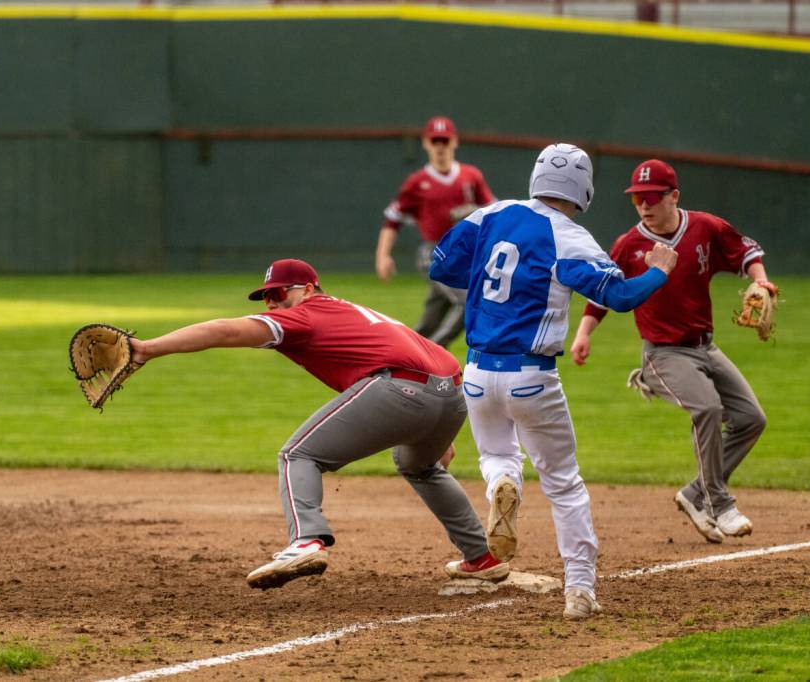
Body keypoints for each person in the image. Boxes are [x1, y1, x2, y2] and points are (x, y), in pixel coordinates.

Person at [129, 258, 510, 590]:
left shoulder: (305, 316)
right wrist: (434, 424)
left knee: (298, 454)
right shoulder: (350, 310)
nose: (272, 302)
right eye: (266, 296)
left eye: (280, 292)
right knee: (420, 466)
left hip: (402, 389)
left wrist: (148, 349)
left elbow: (226, 331)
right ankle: (481, 558)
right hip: (450, 392)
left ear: (309, 288)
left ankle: (307, 541)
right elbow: (419, 352)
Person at [429, 144, 678, 619]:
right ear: (582, 188)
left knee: (497, 456)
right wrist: (659, 272)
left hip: (478, 374)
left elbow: (441, 265)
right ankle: (580, 589)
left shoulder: (494, 212)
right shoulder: (572, 239)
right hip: (531, 376)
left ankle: (504, 482)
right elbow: (620, 297)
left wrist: (484, 270)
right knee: (563, 484)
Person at [570, 159, 777, 544]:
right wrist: (584, 334)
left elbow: (746, 250)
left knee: (751, 419)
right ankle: (719, 503)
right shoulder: (628, 245)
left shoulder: (704, 227)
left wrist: (761, 281)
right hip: (662, 354)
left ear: (674, 196)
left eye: (652, 197)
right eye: (638, 199)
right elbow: (602, 294)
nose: (644, 206)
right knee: (708, 409)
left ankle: (695, 493)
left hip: (706, 347)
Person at [375, 115, 496, 348]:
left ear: (454, 142)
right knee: (469, 301)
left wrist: (476, 212)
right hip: (433, 252)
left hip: (464, 256)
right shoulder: (417, 182)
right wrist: (383, 255)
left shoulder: (471, 176)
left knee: (430, 322)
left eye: (445, 140)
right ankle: (433, 355)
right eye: (435, 141)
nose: (440, 146)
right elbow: (392, 218)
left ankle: (404, 355)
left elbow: (493, 211)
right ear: (426, 144)